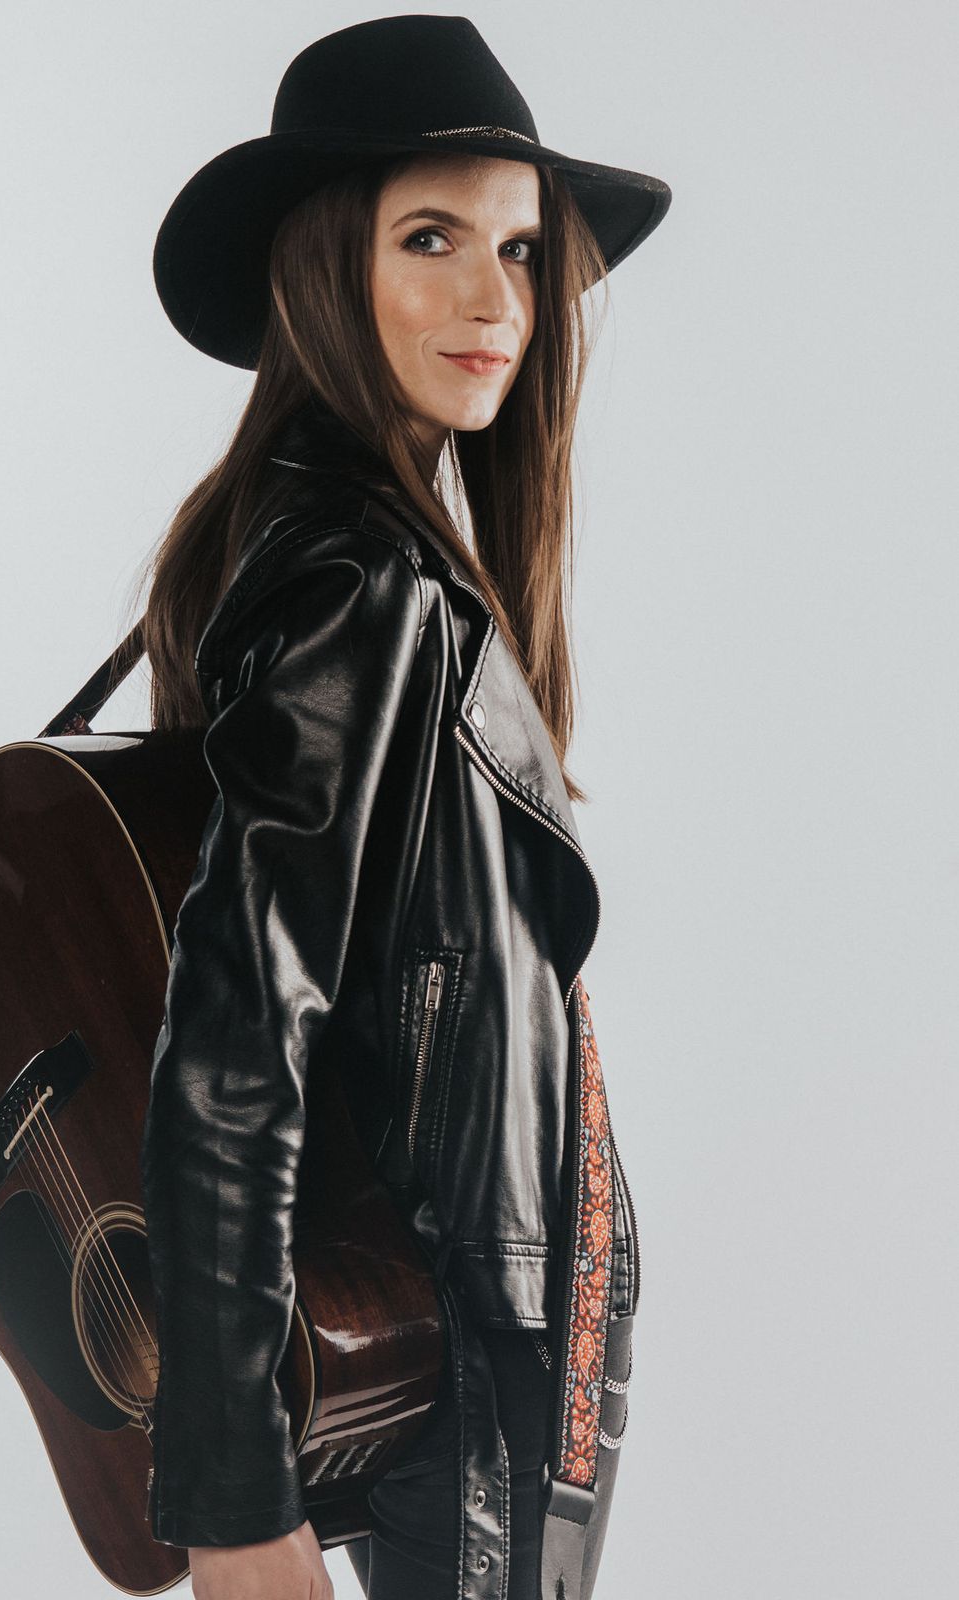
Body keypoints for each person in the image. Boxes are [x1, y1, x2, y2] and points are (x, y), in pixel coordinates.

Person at [136, 14, 670, 1600]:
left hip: (471, 1340)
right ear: (326, 268)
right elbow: (236, 1038)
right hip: (454, 1358)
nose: (493, 299)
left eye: (518, 248)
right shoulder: (357, 578)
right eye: (428, 238)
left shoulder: (359, 550)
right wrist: (234, 1500)